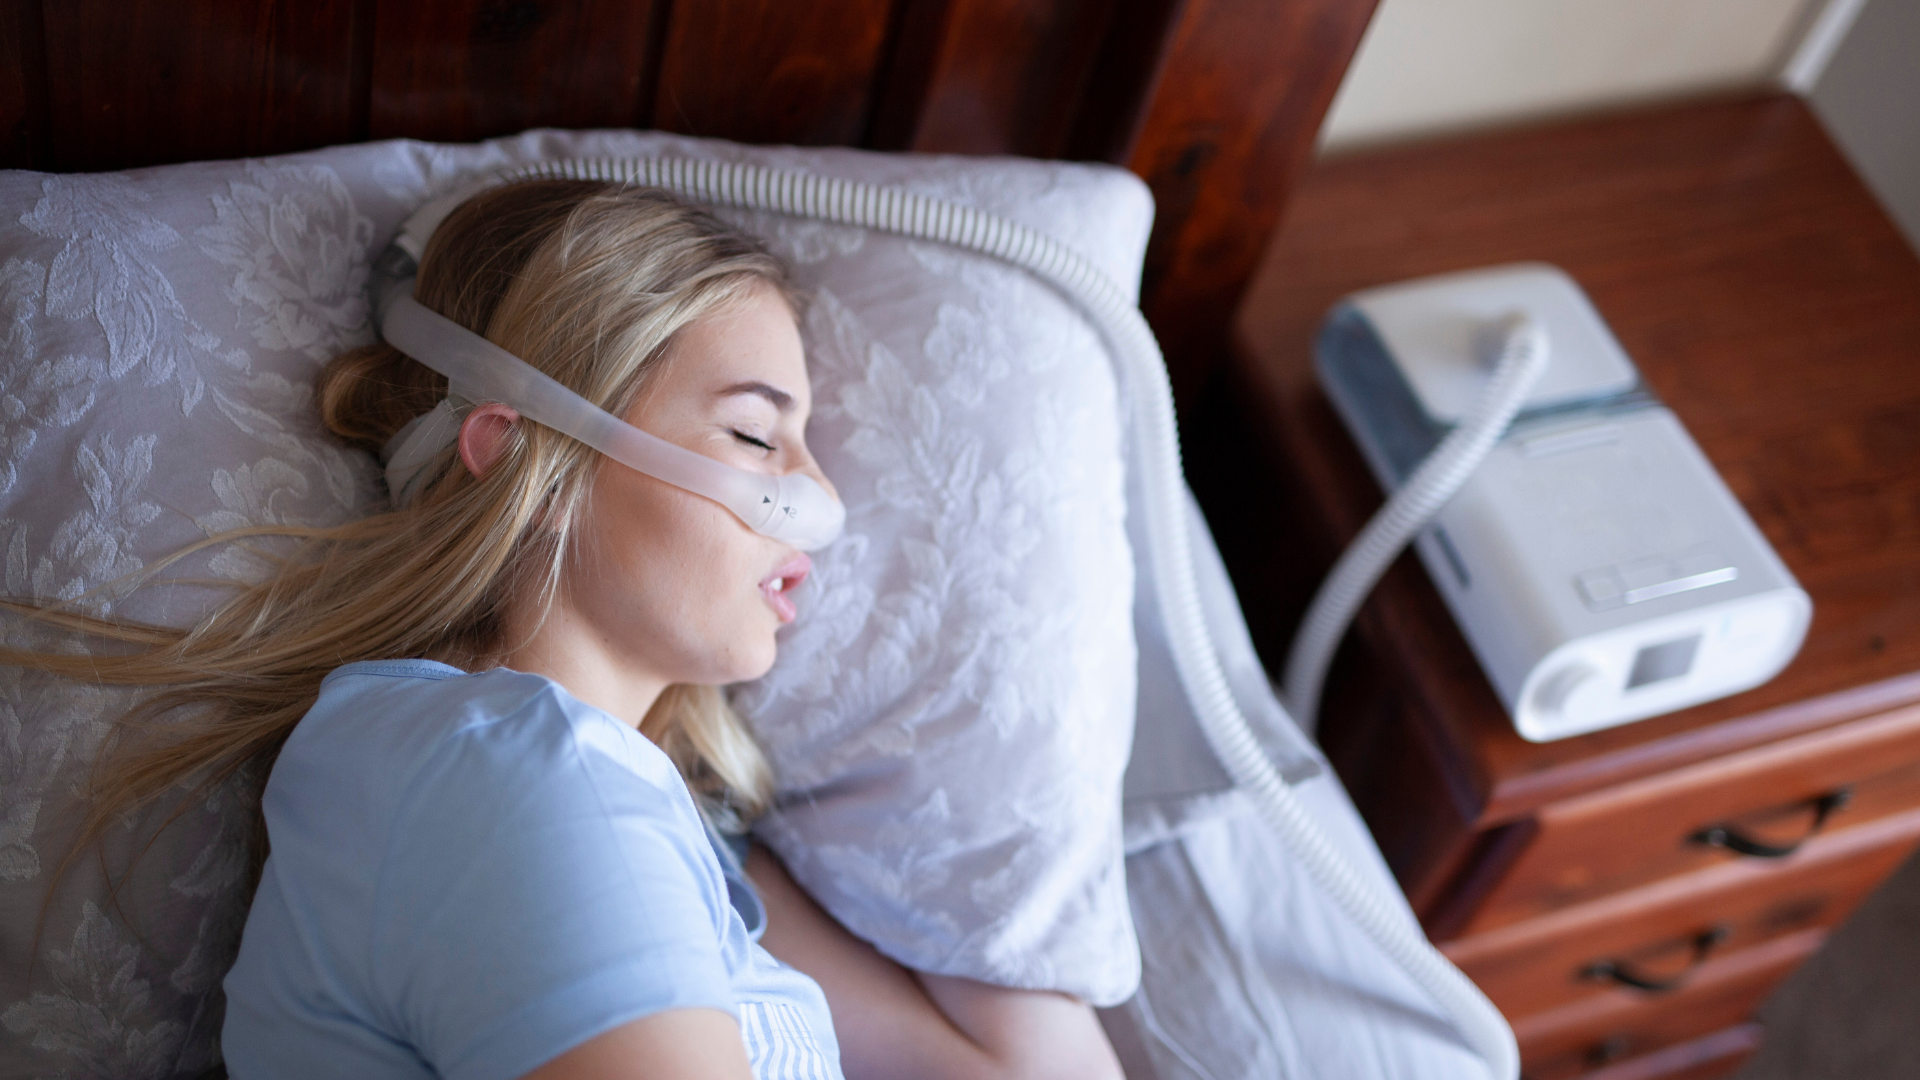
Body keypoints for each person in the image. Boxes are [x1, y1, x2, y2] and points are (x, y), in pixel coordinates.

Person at [5, 181, 1123, 1080]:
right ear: (530, 459)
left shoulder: (622, 811)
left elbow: (1015, 1065)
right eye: (753, 434)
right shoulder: (518, 780)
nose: (821, 506)